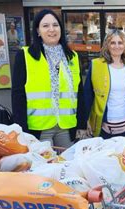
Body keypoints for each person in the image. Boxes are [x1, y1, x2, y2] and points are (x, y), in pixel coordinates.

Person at [11, 9, 87, 148]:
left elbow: (79, 93)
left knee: (67, 165)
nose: (51, 29)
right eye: (45, 26)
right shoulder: (25, 55)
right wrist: (21, 129)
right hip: (38, 128)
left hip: (66, 126)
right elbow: (18, 95)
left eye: (55, 25)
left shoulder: (72, 57)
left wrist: (81, 124)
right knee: (43, 166)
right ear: (38, 31)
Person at [83, 30, 125, 139]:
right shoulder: (96, 65)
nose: (116, 46)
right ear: (107, 45)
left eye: (120, 42)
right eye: (112, 42)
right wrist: (85, 121)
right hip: (103, 127)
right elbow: (87, 96)